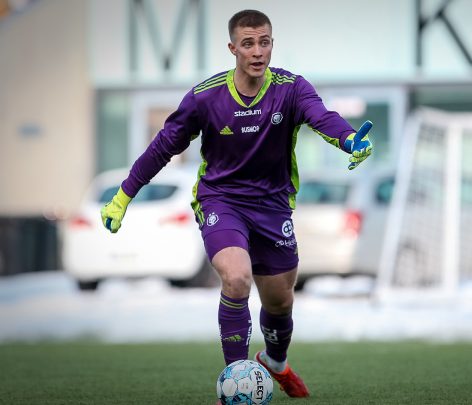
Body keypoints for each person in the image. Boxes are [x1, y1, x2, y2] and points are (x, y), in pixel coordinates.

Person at [99, 9, 373, 399]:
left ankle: (275, 361)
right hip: (221, 200)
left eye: (264, 42)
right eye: (248, 43)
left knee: (280, 300)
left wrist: (349, 139)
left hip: (274, 205)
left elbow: (321, 117)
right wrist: (123, 196)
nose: (258, 51)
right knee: (237, 277)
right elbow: (163, 146)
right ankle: (236, 381)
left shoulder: (291, 88)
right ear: (233, 48)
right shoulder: (205, 97)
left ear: (271, 44)